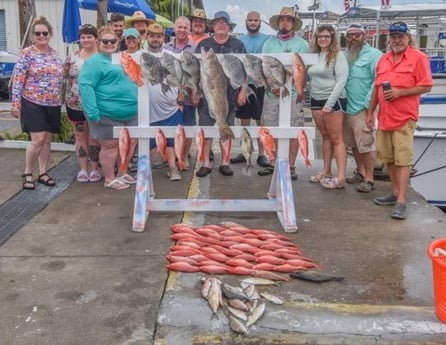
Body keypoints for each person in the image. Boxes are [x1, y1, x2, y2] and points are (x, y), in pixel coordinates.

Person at [366, 21, 432, 219]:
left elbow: (427, 85)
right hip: (384, 117)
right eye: (393, 37)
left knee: (403, 159)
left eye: (400, 37)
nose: (397, 40)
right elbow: (376, 89)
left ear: (408, 38)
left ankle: (402, 201)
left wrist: (400, 93)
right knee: (389, 158)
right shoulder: (384, 59)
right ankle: (394, 192)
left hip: (404, 117)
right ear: (389, 39)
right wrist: (370, 112)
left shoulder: (418, 57)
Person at [79, 26, 138, 190]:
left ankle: (122, 172)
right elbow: (85, 85)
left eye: (113, 41)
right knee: (110, 146)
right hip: (107, 113)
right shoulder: (94, 62)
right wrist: (92, 113)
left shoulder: (123, 57)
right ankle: (109, 178)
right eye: (105, 41)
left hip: (131, 112)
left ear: (118, 42)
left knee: (129, 143)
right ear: (99, 42)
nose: (109, 43)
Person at [10, 16, 64, 190]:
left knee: (47, 139)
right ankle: (27, 171)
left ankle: (43, 172)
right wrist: (15, 103)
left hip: (53, 103)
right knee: (38, 139)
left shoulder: (55, 54)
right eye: (38, 33)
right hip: (32, 101)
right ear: (33, 35)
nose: (41, 36)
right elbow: (18, 79)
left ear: (50, 34)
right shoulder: (27, 53)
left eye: (45, 33)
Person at [195, 11, 246, 177]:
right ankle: (205, 163)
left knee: (226, 129)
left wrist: (243, 91)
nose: (221, 25)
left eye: (224, 22)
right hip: (207, 96)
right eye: (217, 22)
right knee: (206, 130)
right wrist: (195, 91)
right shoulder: (203, 44)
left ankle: (225, 162)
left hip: (230, 97)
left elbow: (246, 71)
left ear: (229, 26)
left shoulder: (238, 45)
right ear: (213, 26)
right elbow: (195, 71)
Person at [259, 7, 309, 180]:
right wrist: (272, 84)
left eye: (288, 19)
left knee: (294, 128)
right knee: (271, 127)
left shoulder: (303, 44)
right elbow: (263, 66)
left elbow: (304, 70)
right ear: (278, 22)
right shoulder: (269, 43)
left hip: (294, 93)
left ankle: (292, 165)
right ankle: (273, 162)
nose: (285, 22)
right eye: (282, 19)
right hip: (272, 92)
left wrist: (297, 85)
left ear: (293, 23)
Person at [307, 24, 348, 189]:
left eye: (327, 36)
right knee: (324, 136)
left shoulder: (338, 56)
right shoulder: (313, 56)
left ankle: (341, 177)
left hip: (333, 100)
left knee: (336, 138)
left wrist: (329, 104)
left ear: (332, 39)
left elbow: (341, 81)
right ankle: (326, 171)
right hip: (315, 100)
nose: (323, 39)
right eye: (320, 36)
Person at [343, 23, 383, 193]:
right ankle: (360, 172)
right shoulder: (344, 55)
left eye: (357, 35)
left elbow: (377, 81)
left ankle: (369, 178)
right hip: (346, 107)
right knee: (353, 144)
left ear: (364, 36)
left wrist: (370, 107)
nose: (353, 38)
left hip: (363, 108)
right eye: (350, 35)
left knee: (366, 145)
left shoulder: (374, 55)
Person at [230, 11, 271, 168]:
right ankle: (244, 150)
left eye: (256, 20)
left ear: (260, 22)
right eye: (250, 20)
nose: (253, 22)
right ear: (246, 21)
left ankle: (262, 154)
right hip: (243, 85)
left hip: (261, 84)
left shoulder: (267, 39)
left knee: (261, 119)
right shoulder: (240, 41)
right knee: (244, 119)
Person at [64, 24, 101, 184]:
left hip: (96, 104)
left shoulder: (101, 57)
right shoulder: (72, 57)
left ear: (96, 39)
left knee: (94, 137)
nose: (86, 40)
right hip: (75, 103)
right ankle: (83, 169)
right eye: (83, 37)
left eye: (89, 37)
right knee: (80, 136)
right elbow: (64, 76)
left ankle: (94, 169)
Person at [147, 23, 184, 181]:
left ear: (164, 38)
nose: (155, 39)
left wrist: (180, 99)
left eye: (158, 36)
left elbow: (182, 78)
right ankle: (145, 172)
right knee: (148, 144)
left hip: (170, 109)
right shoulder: (140, 56)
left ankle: (173, 168)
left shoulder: (173, 57)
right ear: (147, 37)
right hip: (148, 111)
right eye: (152, 36)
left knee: (170, 143)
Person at [164, 16, 196, 170]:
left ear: (189, 30)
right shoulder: (166, 48)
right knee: (173, 127)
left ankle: (185, 156)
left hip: (189, 95)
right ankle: (173, 156)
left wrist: (195, 92)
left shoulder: (195, 48)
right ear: (174, 28)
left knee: (188, 126)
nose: (182, 30)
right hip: (171, 96)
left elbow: (198, 74)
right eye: (179, 27)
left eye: (185, 27)